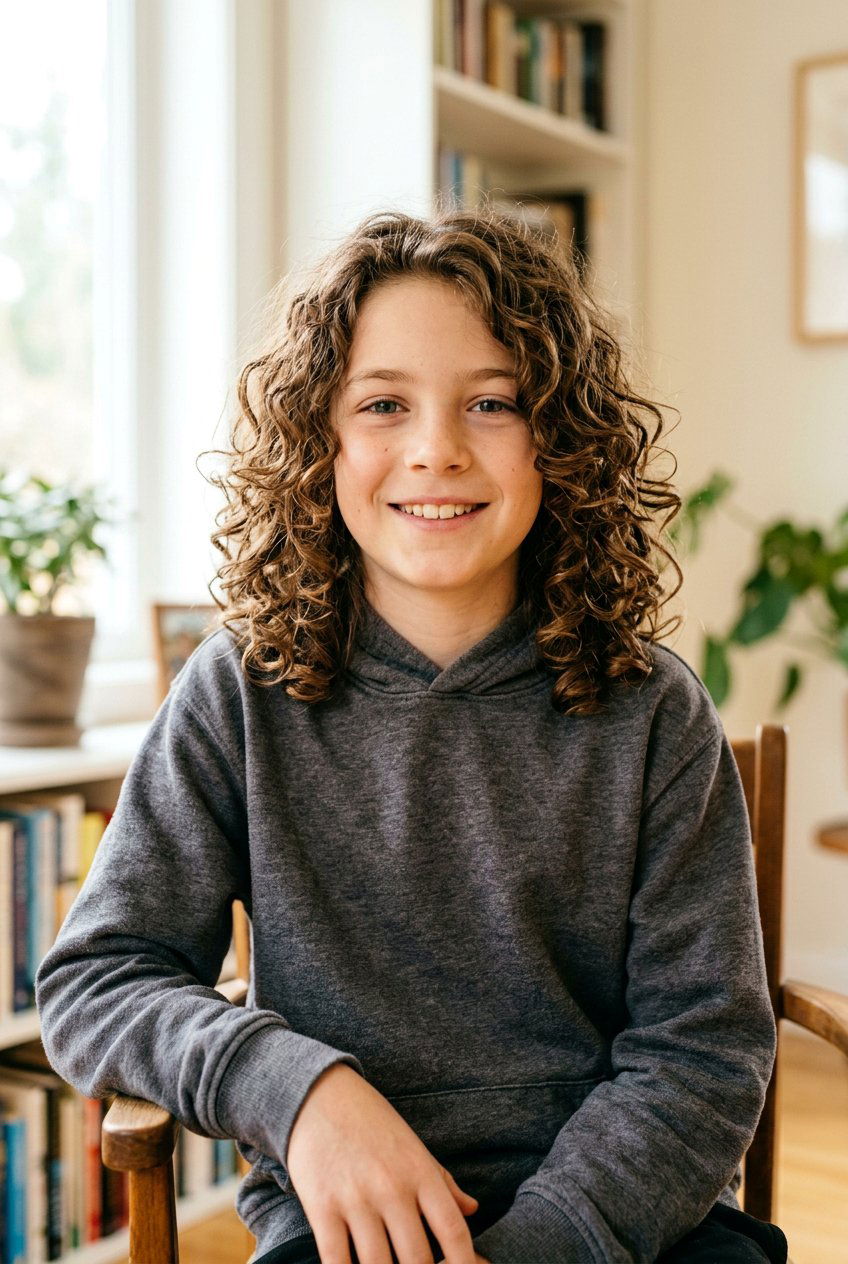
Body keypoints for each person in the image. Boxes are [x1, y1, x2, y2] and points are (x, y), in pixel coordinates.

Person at [35, 204, 789, 1264]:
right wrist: (301, 1092)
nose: (435, 450)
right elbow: (96, 979)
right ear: (319, 443)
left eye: (491, 402)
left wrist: (547, 1241)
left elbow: (700, 1052)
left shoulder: (653, 713)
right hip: (341, 1231)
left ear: (558, 443)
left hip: (622, 1223)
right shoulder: (235, 697)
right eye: (383, 403)